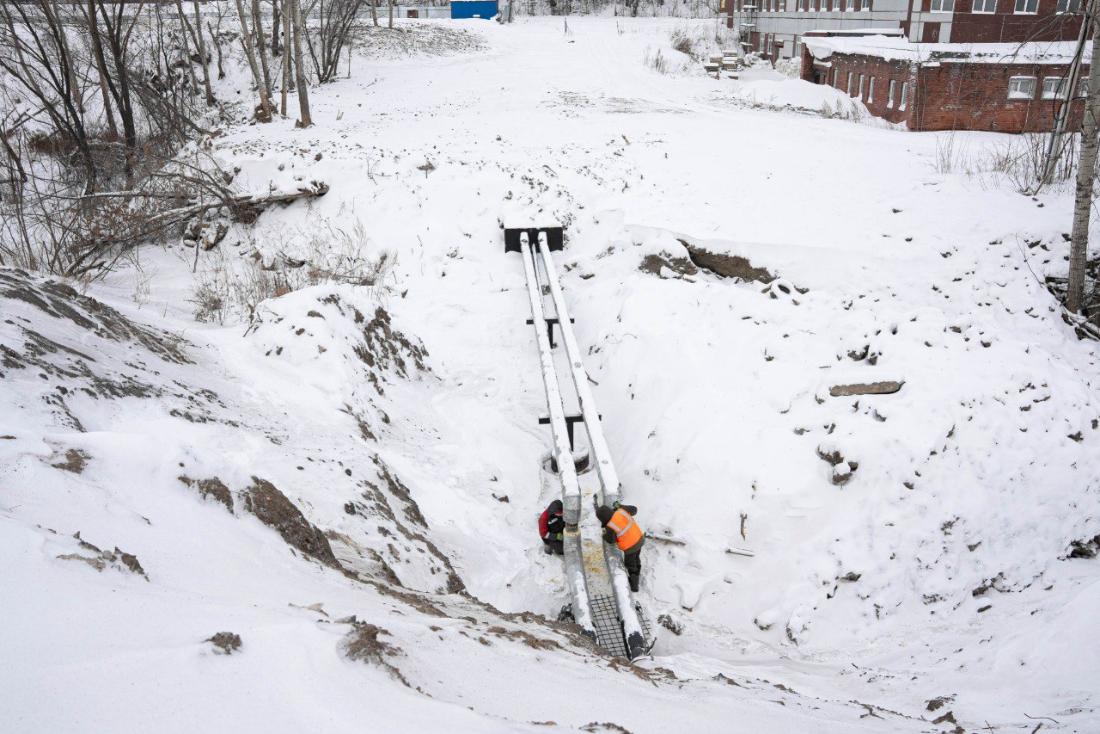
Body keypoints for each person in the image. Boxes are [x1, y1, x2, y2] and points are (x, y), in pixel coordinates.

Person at [596, 503, 644, 592]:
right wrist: (621, 506)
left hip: (630, 547)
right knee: (636, 557)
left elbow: (610, 540)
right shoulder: (621, 511)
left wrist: (604, 533)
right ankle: (637, 573)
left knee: (630, 564)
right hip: (639, 538)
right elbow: (634, 509)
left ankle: (634, 585)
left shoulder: (611, 526)